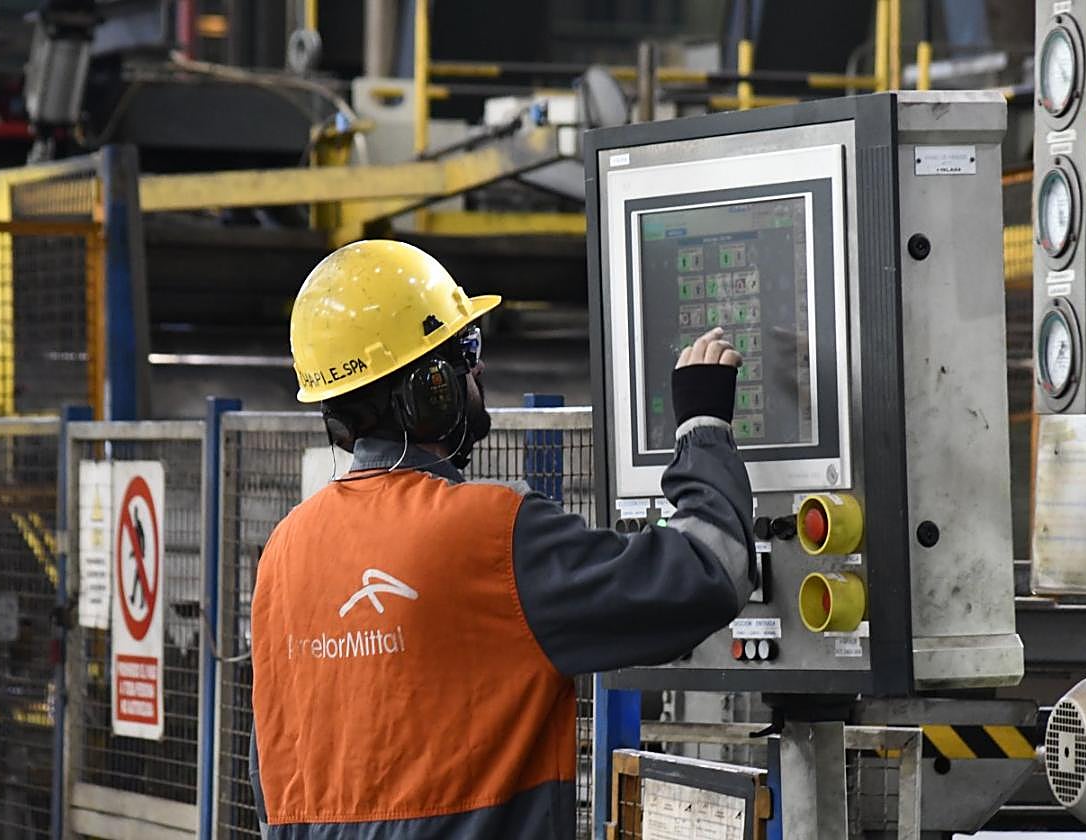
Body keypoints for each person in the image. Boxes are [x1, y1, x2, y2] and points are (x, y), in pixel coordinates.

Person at [250, 239, 755, 839]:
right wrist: (703, 426)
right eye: (466, 351)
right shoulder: (488, 533)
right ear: (429, 389)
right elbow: (710, 570)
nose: (479, 368)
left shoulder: (284, 551)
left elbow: (273, 776)